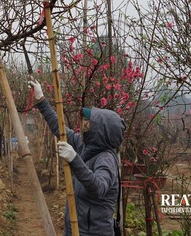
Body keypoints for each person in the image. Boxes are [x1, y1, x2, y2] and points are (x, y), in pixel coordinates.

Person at [28, 80, 125, 236]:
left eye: (89, 122)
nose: (84, 124)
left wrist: (75, 159)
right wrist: (41, 99)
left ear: (102, 131)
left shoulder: (106, 159)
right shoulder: (86, 146)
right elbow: (59, 128)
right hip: (74, 229)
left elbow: (98, 188)